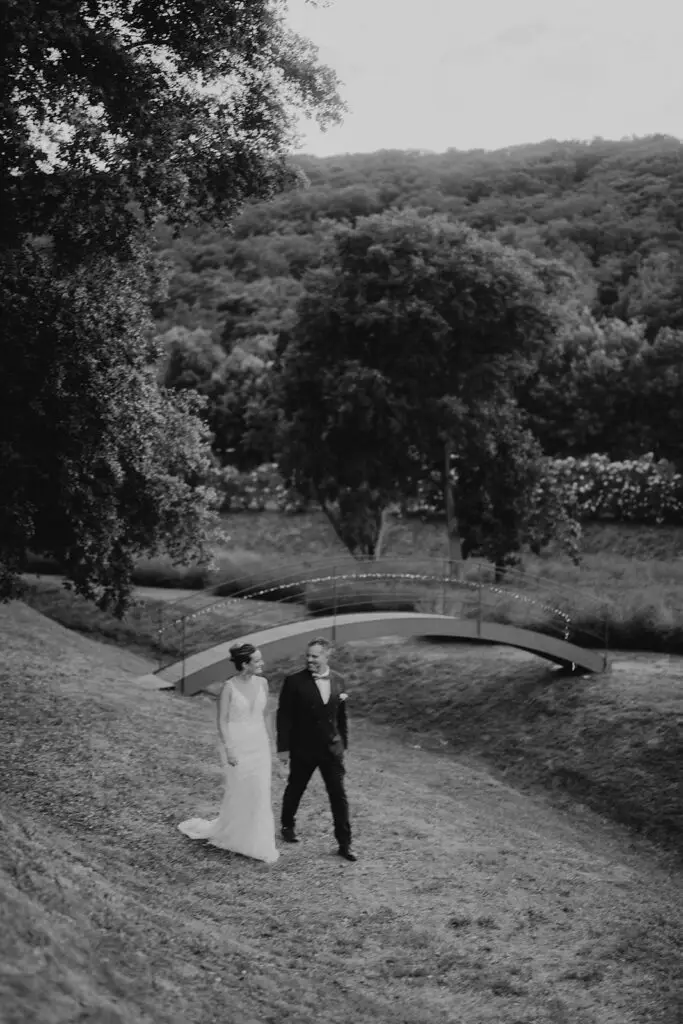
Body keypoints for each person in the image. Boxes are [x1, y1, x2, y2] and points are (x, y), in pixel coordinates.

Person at [178, 643, 279, 864]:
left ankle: (258, 841)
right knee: (240, 790)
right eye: (258, 661)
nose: (262, 663)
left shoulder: (263, 683)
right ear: (245, 665)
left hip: (259, 744)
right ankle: (234, 835)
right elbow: (221, 721)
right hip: (237, 744)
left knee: (260, 792)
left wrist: (271, 741)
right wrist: (230, 748)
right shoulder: (229, 688)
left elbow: (263, 715)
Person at [276, 637, 356, 862]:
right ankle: (287, 825)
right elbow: (284, 717)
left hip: (331, 750)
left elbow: (341, 716)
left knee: (338, 796)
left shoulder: (339, 680)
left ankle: (344, 843)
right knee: (296, 788)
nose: (309, 659)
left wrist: (343, 744)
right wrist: (283, 748)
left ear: (327, 656)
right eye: (308, 656)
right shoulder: (294, 681)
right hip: (303, 748)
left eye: (315, 656)